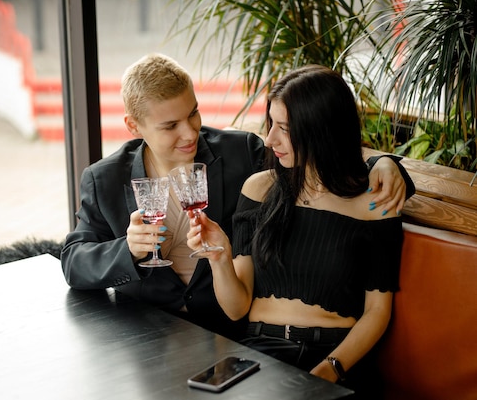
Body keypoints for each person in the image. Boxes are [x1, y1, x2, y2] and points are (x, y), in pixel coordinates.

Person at [60, 54, 412, 340]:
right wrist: (128, 249)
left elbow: (316, 150)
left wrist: (382, 162)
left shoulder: (241, 153)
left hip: (233, 335)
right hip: (145, 336)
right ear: (134, 126)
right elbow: (73, 261)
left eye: (193, 113)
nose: (190, 132)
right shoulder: (104, 178)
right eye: (170, 126)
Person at [186, 65, 404, 396]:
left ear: (322, 131)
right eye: (271, 123)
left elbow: (377, 311)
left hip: (336, 357)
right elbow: (236, 307)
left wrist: (331, 369)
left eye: (285, 128)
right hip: (258, 353)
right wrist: (220, 258)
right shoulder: (258, 190)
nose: (270, 138)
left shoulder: (375, 205)